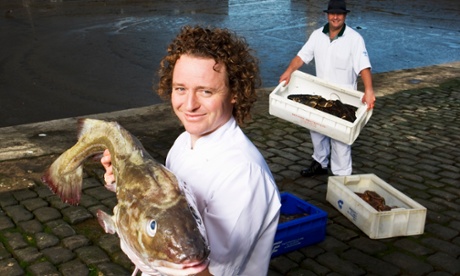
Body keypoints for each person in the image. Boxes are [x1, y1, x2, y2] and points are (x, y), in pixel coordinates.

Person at [101, 25, 281, 275]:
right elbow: (162, 207)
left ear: (235, 94)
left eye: (206, 91)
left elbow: (209, 272)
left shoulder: (243, 175)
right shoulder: (184, 141)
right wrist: (126, 180)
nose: (189, 105)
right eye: (181, 88)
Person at [279, 0, 376, 177]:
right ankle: (320, 163)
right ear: (327, 15)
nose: (336, 17)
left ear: (345, 16)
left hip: (344, 98)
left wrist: (369, 90)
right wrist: (288, 71)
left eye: (339, 14)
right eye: (332, 13)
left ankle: (342, 176)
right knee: (315, 129)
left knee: (340, 139)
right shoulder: (317, 35)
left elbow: (364, 66)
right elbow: (302, 56)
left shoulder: (355, 39)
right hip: (321, 93)